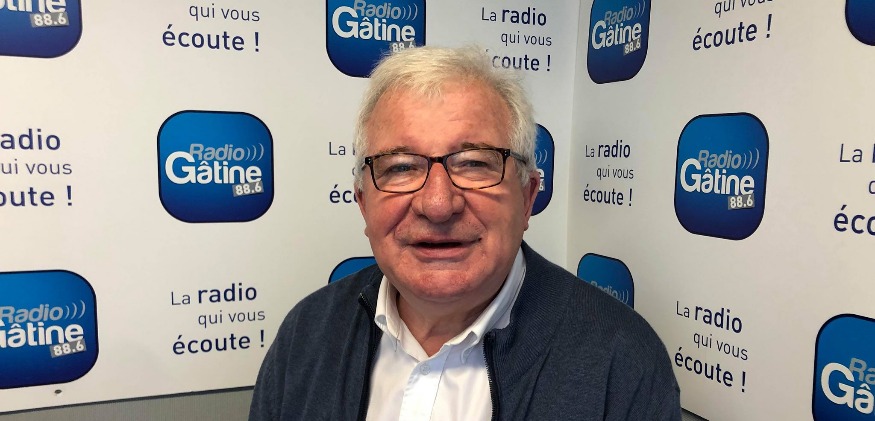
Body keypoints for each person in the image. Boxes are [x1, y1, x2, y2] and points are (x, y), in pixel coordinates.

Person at [250, 45, 681, 421]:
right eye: (401, 167)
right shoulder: (305, 336)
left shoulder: (622, 364)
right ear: (364, 203)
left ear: (527, 197)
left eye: (474, 164)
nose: (438, 204)